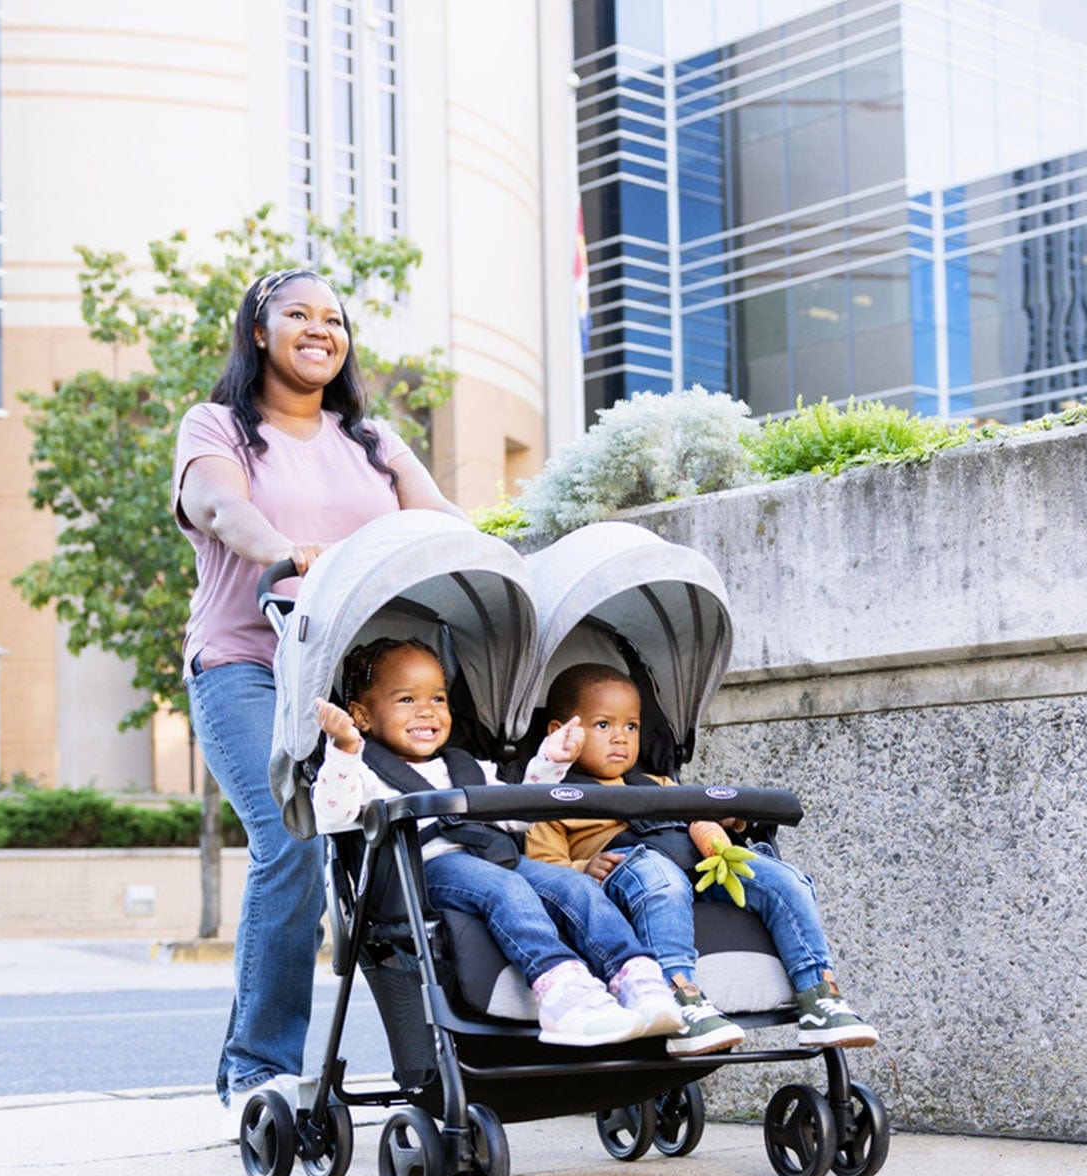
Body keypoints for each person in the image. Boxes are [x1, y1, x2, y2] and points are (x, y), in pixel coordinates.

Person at [176, 266, 465, 1115]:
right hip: (249, 667)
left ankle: (431, 1059)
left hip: (353, 685)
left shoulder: (371, 438)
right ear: (258, 332)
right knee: (293, 843)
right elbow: (221, 509)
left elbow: (439, 517)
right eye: (296, 314)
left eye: (332, 319)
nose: (318, 329)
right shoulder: (219, 426)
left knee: (393, 853)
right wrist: (290, 553)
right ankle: (257, 1069)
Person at [309, 637, 686, 1046]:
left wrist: (550, 762)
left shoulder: (468, 767)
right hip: (422, 871)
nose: (427, 710)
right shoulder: (364, 773)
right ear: (362, 715)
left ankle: (638, 979)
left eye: (438, 698)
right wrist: (344, 749)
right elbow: (333, 812)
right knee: (503, 888)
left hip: (492, 860)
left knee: (573, 886)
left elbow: (518, 812)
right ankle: (562, 991)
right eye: (406, 699)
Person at [524, 662, 880, 1055]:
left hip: (696, 862)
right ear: (560, 732)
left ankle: (819, 994)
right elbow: (542, 869)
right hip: (630, 874)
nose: (621, 739)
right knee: (659, 875)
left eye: (631, 727)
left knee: (781, 878)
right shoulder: (551, 800)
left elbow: (699, 817)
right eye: (603, 726)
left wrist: (724, 820)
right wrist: (583, 869)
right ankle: (681, 999)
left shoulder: (657, 784)